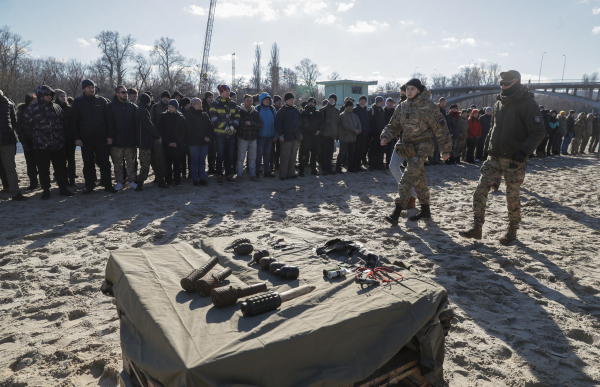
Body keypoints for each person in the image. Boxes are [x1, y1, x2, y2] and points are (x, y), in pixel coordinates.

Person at [460, 70, 545, 245]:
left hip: (515, 159)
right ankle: (477, 228)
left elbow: (538, 132)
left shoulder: (528, 103)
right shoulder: (499, 102)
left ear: (517, 82)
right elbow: (493, 127)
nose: (503, 86)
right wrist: (487, 148)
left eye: (507, 83)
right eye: (501, 83)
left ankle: (512, 231)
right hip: (494, 156)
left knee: (511, 196)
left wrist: (523, 152)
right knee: (480, 190)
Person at [380, 78, 451, 226]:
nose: (409, 91)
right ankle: (425, 210)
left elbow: (441, 129)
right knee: (418, 180)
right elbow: (393, 124)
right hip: (406, 147)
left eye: (412, 89)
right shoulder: (402, 106)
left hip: (422, 147)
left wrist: (445, 150)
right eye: (408, 89)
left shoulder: (428, 106)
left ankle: (396, 213)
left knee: (407, 177)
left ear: (418, 90)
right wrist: (385, 136)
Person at [22, 85, 73, 199]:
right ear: (41, 95)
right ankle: (46, 190)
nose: (49, 96)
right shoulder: (32, 109)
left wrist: (61, 137)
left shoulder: (57, 108)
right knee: (43, 170)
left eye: (51, 94)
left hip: (58, 144)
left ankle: (63, 188)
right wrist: (37, 137)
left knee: (60, 168)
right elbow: (26, 127)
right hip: (41, 146)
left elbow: (64, 124)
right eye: (46, 94)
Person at [71, 79, 116, 194]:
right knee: (88, 163)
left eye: (93, 87)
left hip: (102, 137)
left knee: (105, 162)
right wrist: (76, 138)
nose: (92, 90)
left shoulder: (102, 101)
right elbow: (74, 121)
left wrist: (110, 135)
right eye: (89, 87)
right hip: (85, 138)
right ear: (84, 89)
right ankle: (90, 186)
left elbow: (109, 120)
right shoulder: (77, 102)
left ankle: (107, 185)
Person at [106, 85, 138, 191]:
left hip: (130, 141)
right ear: (117, 94)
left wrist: (136, 137)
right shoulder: (110, 106)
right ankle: (119, 182)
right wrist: (110, 136)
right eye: (123, 92)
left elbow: (136, 124)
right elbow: (109, 123)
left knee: (131, 162)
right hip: (116, 141)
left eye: (126, 92)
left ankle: (132, 181)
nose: (126, 94)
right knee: (117, 163)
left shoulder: (132, 107)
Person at [209, 84, 239, 184]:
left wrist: (233, 126)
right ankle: (219, 175)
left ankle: (229, 174)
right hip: (220, 135)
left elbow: (238, 116)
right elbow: (213, 118)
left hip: (231, 135)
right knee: (220, 155)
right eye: (226, 91)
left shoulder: (233, 104)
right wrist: (224, 127)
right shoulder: (214, 104)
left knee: (230, 155)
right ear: (221, 92)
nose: (228, 93)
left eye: (229, 91)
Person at [0, 90, 26, 201]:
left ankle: (15, 193)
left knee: (10, 168)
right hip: (7, 141)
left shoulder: (9, 104)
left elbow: (14, 122)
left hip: (7, 141)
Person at [135, 93, 163, 191]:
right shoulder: (143, 111)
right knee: (146, 164)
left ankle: (160, 181)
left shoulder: (139, 109)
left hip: (144, 141)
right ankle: (140, 184)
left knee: (153, 162)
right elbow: (148, 125)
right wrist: (158, 135)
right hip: (146, 142)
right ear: (148, 101)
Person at [158, 99, 186, 186]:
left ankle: (177, 180)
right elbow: (161, 130)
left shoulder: (181, 117)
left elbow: (183, 132)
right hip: (167, 145)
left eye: (172, 107)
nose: (170, 108)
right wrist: (168, 142)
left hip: (178, 145)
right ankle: (169, 180)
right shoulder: (163, 116)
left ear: (176, 108)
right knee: (168, 164)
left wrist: (177, 142)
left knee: (177, 164)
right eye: (169, 106)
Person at [185, 97, 213, 186]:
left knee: (202, 161)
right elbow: (190, 129)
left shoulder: (205, 115)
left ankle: (202, 178)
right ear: (193, 105)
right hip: (194, 142)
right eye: (198, 104)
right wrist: (203, 137)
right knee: (194, 161)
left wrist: (209, 137)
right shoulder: (189, 115)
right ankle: (194, 179)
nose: (200, 105)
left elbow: (210, 127)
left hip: (205, 142)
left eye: (200, 103)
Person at [275, 93, 302, 180]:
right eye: (290, 99)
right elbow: (278, 124)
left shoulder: (296, 110)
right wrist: (280, 135)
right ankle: (283, 174)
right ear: (286, 100)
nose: (292, 101)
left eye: (293, 99)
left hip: (295, 137)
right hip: (286, 138)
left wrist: (300, 134)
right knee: (285, 156)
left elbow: (300, 123)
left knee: (293, 156)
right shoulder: (282, 111)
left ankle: (291, 173)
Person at [237, 94, 262, 182]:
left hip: (253, 138)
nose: (249, 102)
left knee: (252, 158)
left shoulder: (255, 112)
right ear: (243, 102)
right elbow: (240, 125)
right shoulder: (240, 112)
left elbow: (260, 124)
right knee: (240, 158)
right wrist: (252, 125)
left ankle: (253, 175)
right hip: (242, 138)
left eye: (250, 101)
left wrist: (251, 123)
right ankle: (239, 175)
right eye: (247, 101)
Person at [16, 94, 39, 190]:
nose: (35, 104)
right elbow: (19, 129)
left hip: (41, 141)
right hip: (28, 141)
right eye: (33, 102)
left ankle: (44, 182)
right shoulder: (21, 113)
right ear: (28, 103)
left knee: (42, 163)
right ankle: (33, 183)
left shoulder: (40, 110)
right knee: (30, 164)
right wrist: (23, 142)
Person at [53, 90, 76, 186]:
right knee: (60, 160)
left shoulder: (70, 109)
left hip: (70, 138)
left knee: (71, 159)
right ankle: (62, 179)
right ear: (57, 97)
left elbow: (73, 123)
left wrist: (72, 135)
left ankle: (72, 179)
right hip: (58, 138)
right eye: (61, 96)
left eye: (65, 96)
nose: (64, 98)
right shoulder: (53, 108)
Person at [256, 92, 277, 178]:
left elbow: (276, 122)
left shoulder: (272, 109)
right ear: (261, 100)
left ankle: (267, 172)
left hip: (270, 137)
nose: (267, 101)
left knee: (267, 154)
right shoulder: (257, 109)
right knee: (259, 154)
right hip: (260, 136)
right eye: (265, 99)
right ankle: (256, 171)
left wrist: (276, 135)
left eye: (269, 99)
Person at [299, 97, 322, 176]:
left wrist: (318, 130)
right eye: (309, 102)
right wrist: (314, 131)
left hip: (315, 138)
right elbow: (305, 124)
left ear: (315, 104)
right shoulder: (303, 112)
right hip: (306, 137)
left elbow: (321, 123)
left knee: (314, 155)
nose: (311, 103)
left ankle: (313, 169)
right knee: (304, 154)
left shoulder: (317, 113)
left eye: (312, 102)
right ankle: (301, 170)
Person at [337, 99, 361, 173]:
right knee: (342, 153)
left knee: (351, 153)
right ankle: (338, 167)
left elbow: (359, 124)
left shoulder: (355, 116)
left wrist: (359, 130)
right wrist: (355, 130)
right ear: (346, 107)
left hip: (353, 138)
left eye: (351, 106)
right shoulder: (342, 115)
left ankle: (350, 167)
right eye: (349, 106)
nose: (350, 107)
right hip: (344, 138)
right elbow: (345, 125)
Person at [319, 94, 340, 175]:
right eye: (330, 99)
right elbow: (320, 123)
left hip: (332, 136)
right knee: (324, 153)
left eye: (333, 99)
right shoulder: (323, 110)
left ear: (335, 101)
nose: (331, 100)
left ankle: (329, 168)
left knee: (330, 153)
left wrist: (337, 134)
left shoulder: (336, 111)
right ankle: (324, 169)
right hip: (324, 135)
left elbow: (338, 124)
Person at [369, 96, 387, 170]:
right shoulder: (372, 110)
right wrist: (371, 135)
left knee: (381, 150)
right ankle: (372, 166)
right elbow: (369, 123)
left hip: (381, 134)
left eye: (382, 102)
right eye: (380, 102)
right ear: (377, 102)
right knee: (373, 150)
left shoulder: (382, 110)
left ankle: (379, 165)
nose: (382, 103)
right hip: (374, 134)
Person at [352, 96, 370, 172]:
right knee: (356, 150)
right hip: (357, 133)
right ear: (359, 101)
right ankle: (354, 166)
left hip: (365, 133)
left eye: (364, 101)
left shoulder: (366, 110)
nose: (362, 102)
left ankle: (359, 165)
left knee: (362, 150)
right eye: (361, 100)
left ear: (366, 102)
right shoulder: (355, 110)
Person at [202, 91, 217, 175]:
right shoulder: (203, 106)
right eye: (209, 97)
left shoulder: (214, 105)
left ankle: (212, 166)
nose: (211, 99)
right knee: (205, 151)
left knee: (213, 151)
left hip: (213, 130)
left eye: (212, 97)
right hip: (205, 131)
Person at [270, 95, 283, 172]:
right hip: (272, 133)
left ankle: (277, 165)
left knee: (278, 150)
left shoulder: (282, 110)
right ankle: (271, 165)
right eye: (278, 101)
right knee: (271, 151)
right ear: (274, 102)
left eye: (280, 101)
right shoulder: (272, 109)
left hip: (279, 133)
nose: (280, 102)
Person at [383, 98, 396, 167]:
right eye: (390, 102)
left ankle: (388, 163)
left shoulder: (394, 111)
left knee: (390, 150)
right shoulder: (382, 111)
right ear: (386, 102)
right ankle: (381, 163)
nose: (391, 104)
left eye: (392, 103)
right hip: (384, 133)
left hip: (392, 133)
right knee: (382, 149)